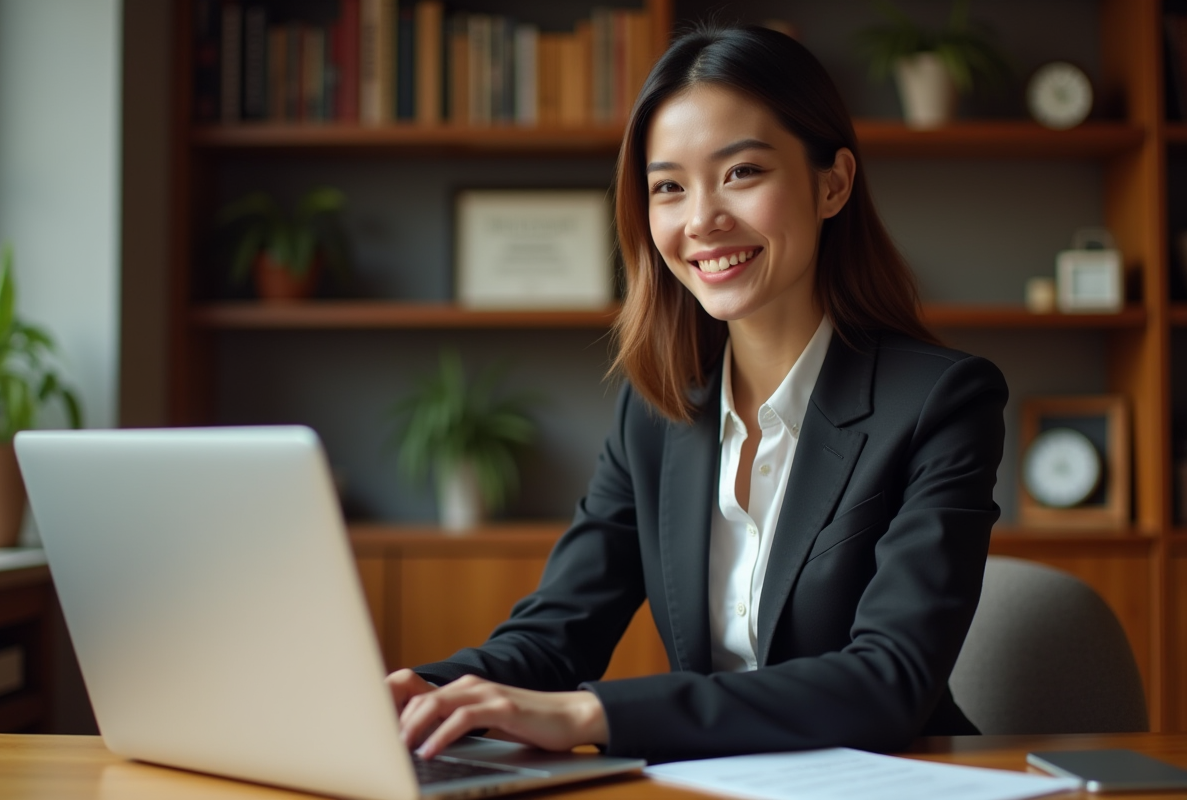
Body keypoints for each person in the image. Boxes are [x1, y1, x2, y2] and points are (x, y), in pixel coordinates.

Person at [388, 25, 1007, 763]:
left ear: (833, 184)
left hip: (899, 779)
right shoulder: (656, 413)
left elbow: (888, 681)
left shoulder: (942, 401)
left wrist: (591, 714)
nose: (701, 220)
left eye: (741, 172)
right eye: (669, 187)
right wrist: (423, 692)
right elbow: (554, 636)